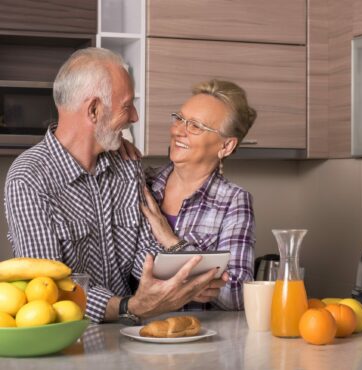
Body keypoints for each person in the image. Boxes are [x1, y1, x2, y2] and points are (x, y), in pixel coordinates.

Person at [4, 48, 227, 323]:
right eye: (126, 106)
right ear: (94, 110)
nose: (134, 116)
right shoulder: (29, 178)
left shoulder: (126, 166)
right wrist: (128, 307)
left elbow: (147, 257)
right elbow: (46, 288)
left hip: (132, 335)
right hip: (71, 339)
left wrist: (187, 278)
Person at [140, 79, 256, 310]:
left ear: (226, 146)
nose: (178, 131)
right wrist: (202, 276)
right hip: (135, 331)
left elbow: (238, 294)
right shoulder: (143, 183)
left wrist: (171, 241)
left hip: (197, 338)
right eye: (179, 119)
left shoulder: (233, 201)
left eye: (195, 126)